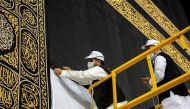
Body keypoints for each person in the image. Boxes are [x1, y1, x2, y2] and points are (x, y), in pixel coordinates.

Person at [54, 51, 127, 109]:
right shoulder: (98, 75)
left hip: (117, 105)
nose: (89, 62)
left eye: (91, 60)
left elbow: (83, 76)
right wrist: (70, 72)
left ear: (98, 62)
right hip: (111, 105)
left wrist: (63, 73)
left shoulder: (101, 70)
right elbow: (84, 81)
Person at [141, 39, 190, 109]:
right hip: (179, 94)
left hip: (171, 96)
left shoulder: (159, 57)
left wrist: (150, 82)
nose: (147, 51)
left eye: (148, 48)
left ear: (155, 47)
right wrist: (152, 80)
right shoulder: (165, 57)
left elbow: (159, 75)